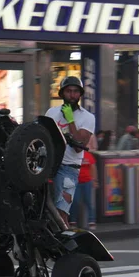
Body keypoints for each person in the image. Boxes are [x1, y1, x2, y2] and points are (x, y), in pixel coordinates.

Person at [45, 76, 96, 228]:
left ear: (80, 94)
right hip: (49, 165)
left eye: (75, 92)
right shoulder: (51, 112)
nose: (72, 95)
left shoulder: (88, 117)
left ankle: (64, 243)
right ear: (62, 94)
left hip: (69, 167)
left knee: (62, 211)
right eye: (68, 91)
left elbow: (79, 145)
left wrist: (70, 120)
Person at [69, 150, 98, 230]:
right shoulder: (72, 155)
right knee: (75, 201)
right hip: (76, 182)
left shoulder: (88, 155)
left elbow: (93, 167)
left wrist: (94, 180)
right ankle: (73, 221)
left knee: (88, 201)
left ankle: (92, 221)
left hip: (87, 182)